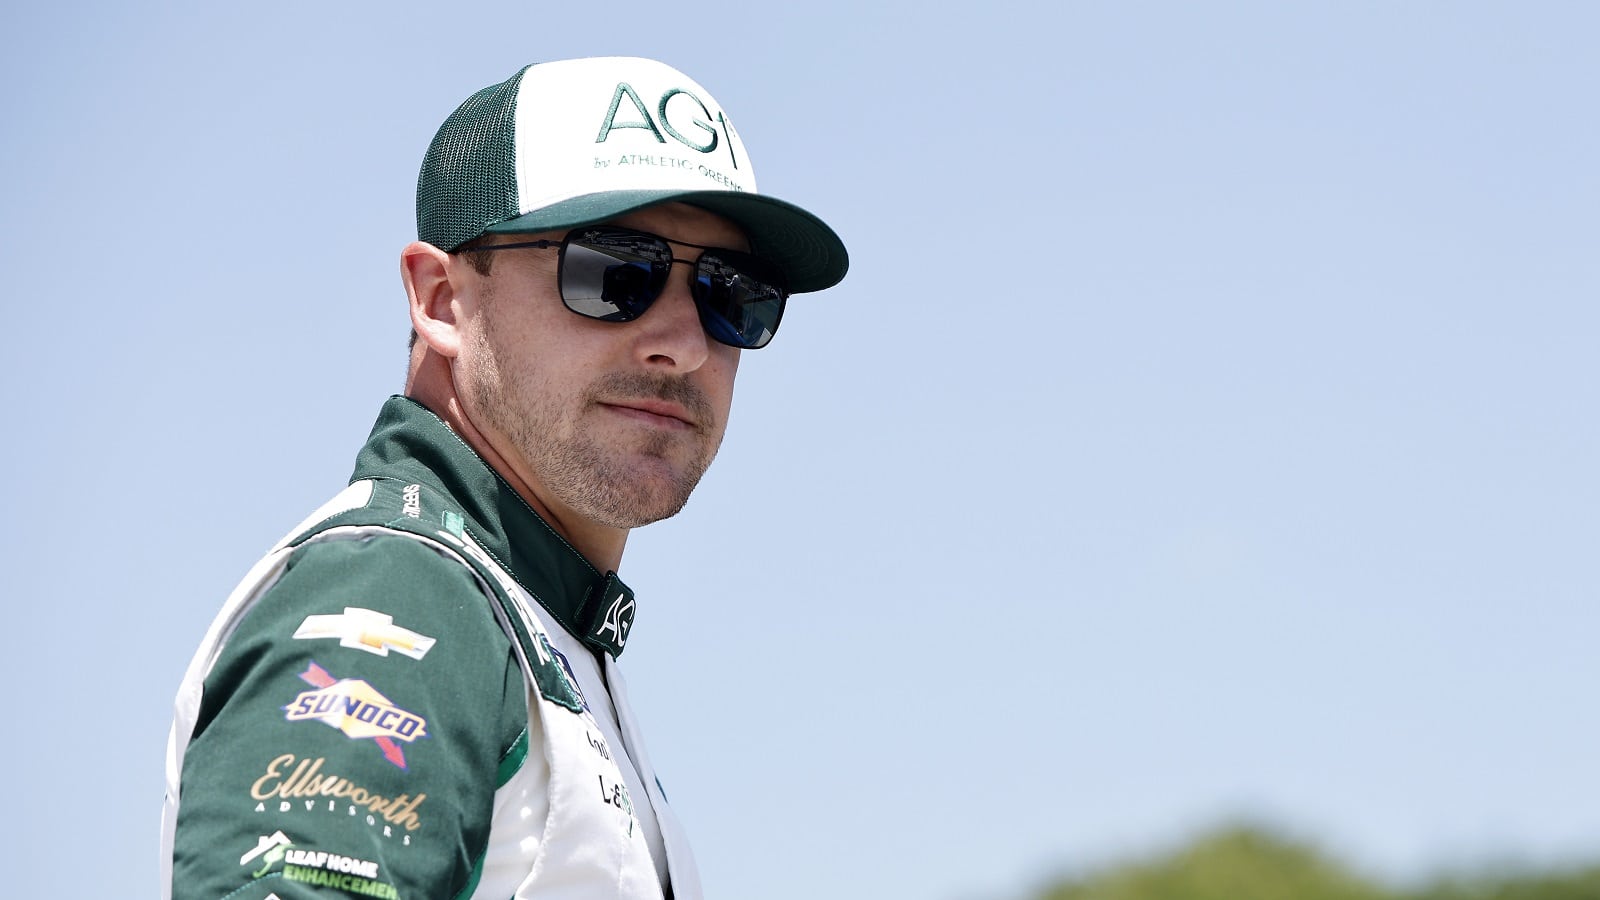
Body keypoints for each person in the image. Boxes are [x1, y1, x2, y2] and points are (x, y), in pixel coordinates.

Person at [160, 56, 847, 900]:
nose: (687, 344)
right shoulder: (401, 594)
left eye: (731, 294)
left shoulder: (533, 626)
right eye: (611, 273)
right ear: (442, 301)